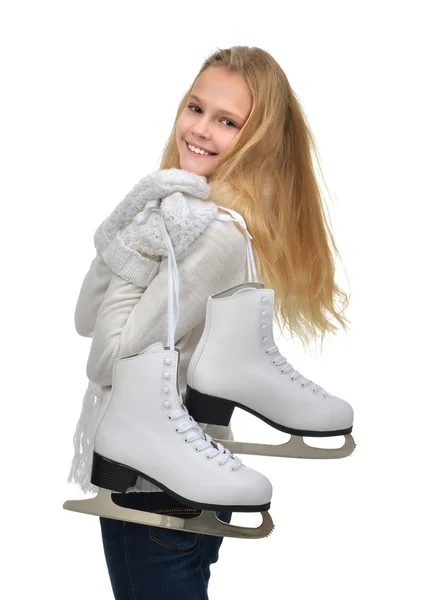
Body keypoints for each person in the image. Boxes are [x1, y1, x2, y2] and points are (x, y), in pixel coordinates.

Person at [69, 45, 350, 599]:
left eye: (227, 121)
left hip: (157, 477)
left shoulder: (216, 231)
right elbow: (84, 317)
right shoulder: (185, 214)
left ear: (258, 140)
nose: (199, 130)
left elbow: (108, 359)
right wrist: (135, 226)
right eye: (195, 108)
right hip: (174, 468)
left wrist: (146, 235)